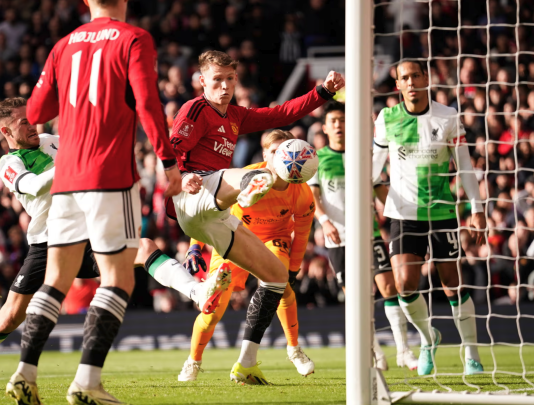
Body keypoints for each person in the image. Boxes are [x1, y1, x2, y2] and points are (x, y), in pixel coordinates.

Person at [0, 98, 229, 395]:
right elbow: (35, 186)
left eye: (31, 119)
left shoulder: (52, 141)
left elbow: (95, 149)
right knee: (11, 315)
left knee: (143, 247)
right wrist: (76, 162)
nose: (32, 126)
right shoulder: (9, 163)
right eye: (22, 123)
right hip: (49, 241)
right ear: (6, 131)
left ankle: (198, 291)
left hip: (90, 232)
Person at [7, 0, 191, 402]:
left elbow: (37, 110)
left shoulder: (64, 44)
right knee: (119, 277)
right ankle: (87, 382)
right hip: (109, 175)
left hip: (66, 178)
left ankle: (24, 373)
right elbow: (146, 103)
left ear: (85, 2)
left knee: (55, 279)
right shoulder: (134, 38)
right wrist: (167, 161)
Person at [167, 50, 344, 385]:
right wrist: (183, 175)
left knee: (277, 278)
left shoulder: (235, 116)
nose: (224, 86)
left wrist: (322, 92)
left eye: (229, 79)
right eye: (216, 80)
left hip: (215, 211)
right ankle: (252, 187)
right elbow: (174, 146)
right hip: (191, 191)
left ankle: (251, 361)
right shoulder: (195, 109)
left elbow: (280, 113)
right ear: (202, 81)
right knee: (249, 175)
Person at [372, 60, 487, 376]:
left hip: (441, 211)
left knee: (451, 283)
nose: (410, 82)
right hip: (402, 212)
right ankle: (428, 339)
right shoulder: (387, 118)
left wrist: (477, 209)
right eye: (404, 78)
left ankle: (471, 354)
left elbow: (463, 166)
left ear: (427, 78)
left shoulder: (447, 116)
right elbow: (373, 167)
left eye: (416, 75)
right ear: (397, 85)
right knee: (405, 284)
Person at [178, 130, 315, 384]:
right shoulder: (244, 177)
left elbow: (302, 234)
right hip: (235, 238)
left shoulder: (302, 192)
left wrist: (293, 271)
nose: (281, 158)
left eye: (286, 151)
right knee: (213, 308)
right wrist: (195, 246)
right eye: (274, 152)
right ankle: (193, 361)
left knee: (282, 284)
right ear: (265, 155)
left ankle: (293, 350)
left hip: (275, 240)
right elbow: (207, 210)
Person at [308, 101, 417, 372]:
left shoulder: (364, 156)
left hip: (367, 233)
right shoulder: (318, 159)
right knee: (357, 299)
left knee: (389, 288)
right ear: (325, 127)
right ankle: (376, 353)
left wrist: (401, 207)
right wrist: (323, 222)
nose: (338, 125)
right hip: (338, 239)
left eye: (342, 120)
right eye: (333, 121)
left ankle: (403, 350)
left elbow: (381, 191)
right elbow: (313, 196)